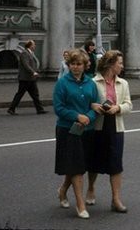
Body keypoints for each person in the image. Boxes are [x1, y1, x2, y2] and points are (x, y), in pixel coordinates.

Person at [54, 49, 99, 219]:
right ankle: (80, 205)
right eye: (72, 64)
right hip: (68, 130)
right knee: (76, 167)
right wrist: (76, 116)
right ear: (68, 65)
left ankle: (63, 190)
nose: (75, 67)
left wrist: (89, 116)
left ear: (85, 65)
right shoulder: (62, 84)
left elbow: (95, 105)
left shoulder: (90, 84)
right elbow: (58, 108)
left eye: (79, 64)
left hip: (87, 130)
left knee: (79, 165)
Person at [88, 50, 133, 214]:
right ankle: (91, 188)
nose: (122, 66)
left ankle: (116, 199)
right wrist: (94, 106)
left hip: (116, 125)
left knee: (115, 163)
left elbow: (129, 104)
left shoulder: (123, 83)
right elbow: (88, 102)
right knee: (94, 161)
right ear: (110, 64)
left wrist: (118, 108)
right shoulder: (94, 82)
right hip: (98, 125)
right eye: (119, 63)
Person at [8, 40, 47, 115]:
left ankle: (40, 109)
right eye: (34, 44)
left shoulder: (30, 53)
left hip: (31, 79)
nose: (35, 46)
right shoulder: (24, 53)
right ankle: (11, 109)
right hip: (25, 79)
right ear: (30, 46)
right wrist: (33, 72)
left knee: (35, 94)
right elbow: (26, 65)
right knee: (20, 94)